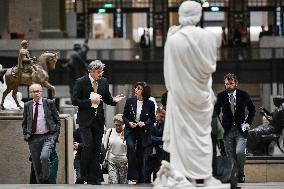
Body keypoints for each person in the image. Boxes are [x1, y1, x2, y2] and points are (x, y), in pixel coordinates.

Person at [154, 1, 221, 187]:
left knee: (181, 138)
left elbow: (168, 75)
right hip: (202, 97)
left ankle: (184, 175)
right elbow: (210, 67)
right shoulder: (209, 37)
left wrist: (178, 90)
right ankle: (205, 176)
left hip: (180, 97)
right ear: (198, 15)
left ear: (181, 15)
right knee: (202, 137)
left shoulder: (174, 40)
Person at [72, 60, 125, 185]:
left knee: (96, 150)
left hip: (99, 120)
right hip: (85, 120)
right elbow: (75, 100)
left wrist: (114, 100)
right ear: (92, 71)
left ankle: (93, 178)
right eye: (99, 72)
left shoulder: (104, 82)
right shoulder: (81, 82)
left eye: (102, 71)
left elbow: (107, 98)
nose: (101, 74)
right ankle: (83, 173)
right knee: (88, 145)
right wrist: (90, 101)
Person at [215, 73, 256, 183]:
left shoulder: (244, 95)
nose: (229, 86)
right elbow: (215, 112)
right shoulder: (221, 96)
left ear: (236, 84)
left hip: (241, 130)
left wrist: (248, 122)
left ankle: (241, 172)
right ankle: (234, 176)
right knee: (231, 156)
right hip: (226, 130)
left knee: (240, 152)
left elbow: (252, 109)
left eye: (231, 83)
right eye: (227, 84)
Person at [22, 83, 61, 184]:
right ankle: (41, 184)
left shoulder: (49, 103)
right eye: (34, 91)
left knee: (44, 157)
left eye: (38, 91)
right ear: (30, 93)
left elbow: (57, 120)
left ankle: (46, 178)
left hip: (48, 136)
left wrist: (55, 135)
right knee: (36, 165)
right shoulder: (27, 105)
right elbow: (25, 122)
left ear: (41, 92)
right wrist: (26, 135)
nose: (36, 93)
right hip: (33, 138)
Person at [123, 81, 155, 183]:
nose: (136, 89)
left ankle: (140, 179)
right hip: (131, 129)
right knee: (131, 147)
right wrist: (129, 123)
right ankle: (133, 175)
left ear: (144, 91)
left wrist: (144, 123)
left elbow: (152, 119)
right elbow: (124, 116)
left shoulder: (150, 104)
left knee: (140, 155)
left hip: (142, 131)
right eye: (136, 88)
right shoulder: (130, 101)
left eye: (139, 88)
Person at [145, 106, 168, 183]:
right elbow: (147, 138)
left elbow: (166, 138)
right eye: (161, 116)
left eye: (164, 117)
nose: (162, 119)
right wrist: (159, 139)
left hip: (158, 158)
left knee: (158, 182)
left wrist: (153, 139)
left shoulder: (165, 125)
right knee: (144, 182)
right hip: (147, 157)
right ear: (156, 114)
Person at [103, 114, 128, 184]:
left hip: (124, 163)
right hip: (112, 161)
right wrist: (105, 159)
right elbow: (106, 146)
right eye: (116, 125)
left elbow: (131, 149)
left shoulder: (127, 133)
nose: (117, 127)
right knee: (113, 182)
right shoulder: (110, 131)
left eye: (120, 125)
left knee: (123, 184)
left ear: (124, 124)